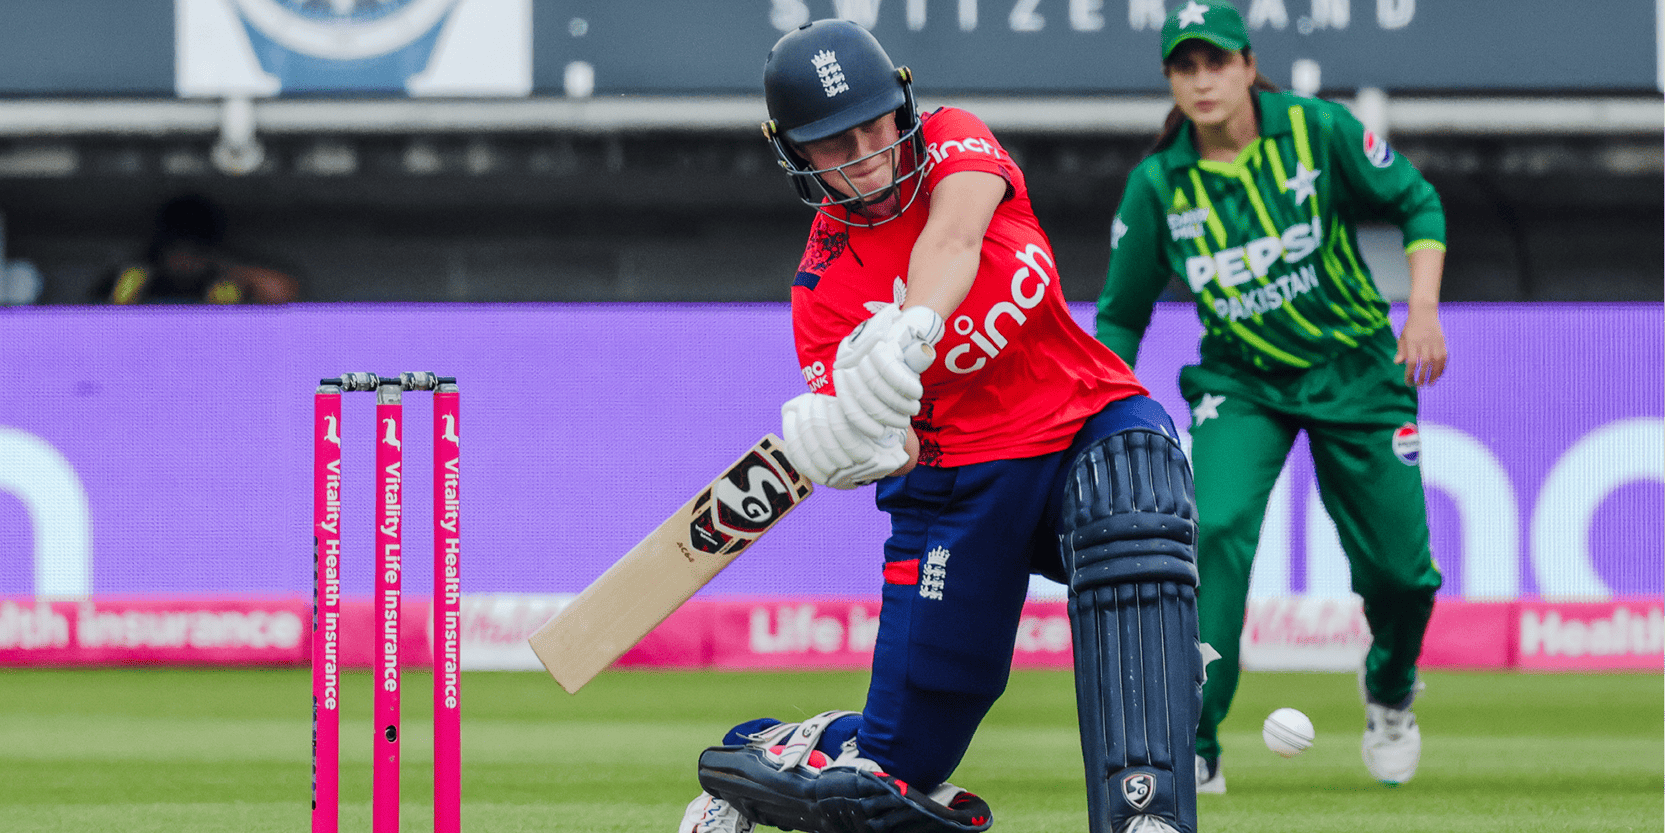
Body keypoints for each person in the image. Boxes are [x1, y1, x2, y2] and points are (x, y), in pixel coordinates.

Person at [682, 19, 1207, 833]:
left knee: (1132, 500)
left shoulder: (958, 143)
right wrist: (859, 446)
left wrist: (912, 324)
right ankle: (772, 757)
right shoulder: (821, 295)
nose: (862, 154)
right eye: (832, 143)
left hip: (1084, 422)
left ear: (903, 107)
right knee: (894, 772)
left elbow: (956, 236)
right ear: (794, 153)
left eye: (873, 127)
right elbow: (903, 448)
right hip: (959, 488)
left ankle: (1148, 814)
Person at [1094, 0, 1448, 793]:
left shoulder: (1315, 130)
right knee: (1209, 527)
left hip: (1357, 371)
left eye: (1215, 61)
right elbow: (1120, 315)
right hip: (1240, 384)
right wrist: (1098, 415)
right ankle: (1195, 738)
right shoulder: (1159, 184)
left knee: (1400, 574)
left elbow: (1416, 202)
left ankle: (1390, 690)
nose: (1201, 80)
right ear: (1169, 82)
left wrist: (1420, 309)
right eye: (1184, 67)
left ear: (1248, 65)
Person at [93, 194, 299, 305]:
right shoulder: (134, 278)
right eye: (176, 249)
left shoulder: (225, 282)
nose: (184, 259)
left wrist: (224, 266)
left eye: (194, 250)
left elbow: (281, 292)